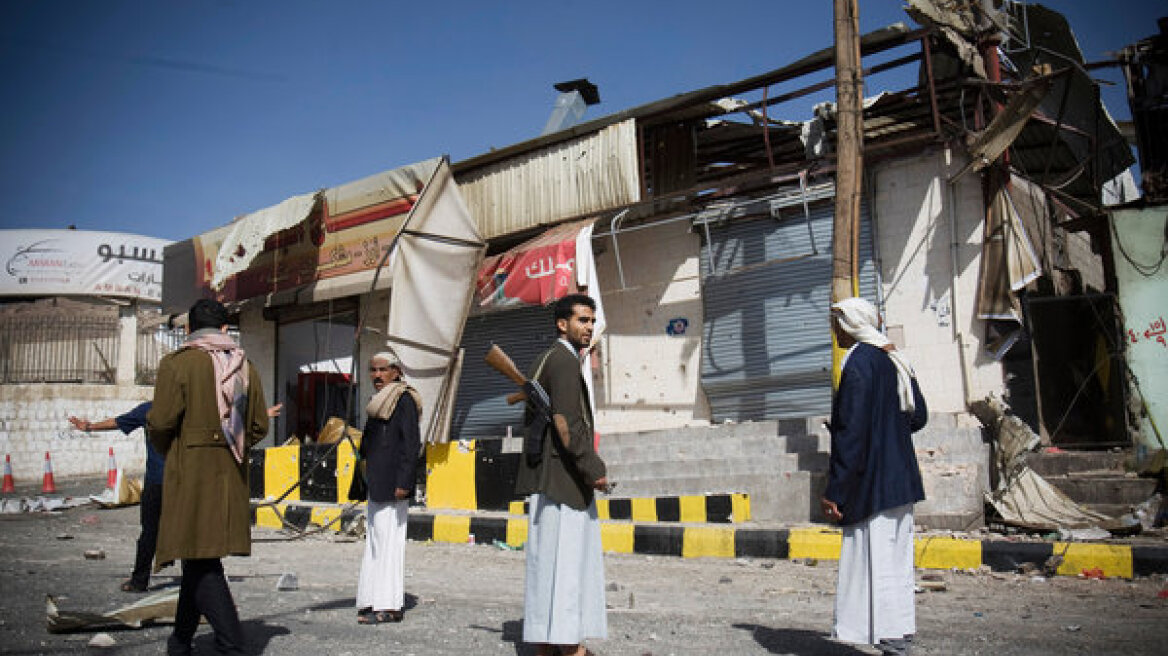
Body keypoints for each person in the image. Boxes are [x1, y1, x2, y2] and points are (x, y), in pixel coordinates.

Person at [147, 299, 269, 656]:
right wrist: (234, 442)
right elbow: (259, 424)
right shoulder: (245, 367)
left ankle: (233, 644)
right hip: (230, 472)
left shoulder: (178, 363)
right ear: (224, 328)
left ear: (189, 329)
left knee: (199, 557)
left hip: (190, 471)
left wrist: (175, 449)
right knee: (198, 554)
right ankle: (180, 641)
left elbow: (161, 422)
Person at [821, 297, 928, 656]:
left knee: (876, 559)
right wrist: (887, 429)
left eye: (837, 323)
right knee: (896, 560)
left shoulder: (858, 364)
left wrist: (835, 490)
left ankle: (891, 638)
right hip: (902, 478)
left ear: (850, 325)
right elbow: (918, 416)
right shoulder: (893, 358)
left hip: (874, 481)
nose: (834, 330)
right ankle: (898, 634)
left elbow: (849, 435)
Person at [515, 293, 609, 656]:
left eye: (591, 321)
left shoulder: (547, 359)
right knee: (568, 569)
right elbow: (567, 423)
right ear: (562, 324)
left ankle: (544, 646)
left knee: (546, 568)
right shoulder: (564, 362)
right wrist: (594, 469)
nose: (588, 328)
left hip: (545, 478)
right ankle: (571, 649)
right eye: (582, 320)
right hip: (564, 480)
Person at [354, 352, 422, 625]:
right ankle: (371, 599)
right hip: (376, 482)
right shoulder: (378, 401)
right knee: (374, 543)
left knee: (389, 546)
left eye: (383, 370)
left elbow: (410, 444)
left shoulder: (403, 399)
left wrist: (404, 482)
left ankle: (389, 606)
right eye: (373, 370)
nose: (377, 375)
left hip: (394, 485)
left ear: (396, 371)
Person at [69, 402, 165, 593]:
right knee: (185, 535)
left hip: (157, 481)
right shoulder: (190, 409)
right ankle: (198, 585)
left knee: (149, 534)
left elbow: (119, 422)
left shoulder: (152, 409)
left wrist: (89, 427)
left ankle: (139, 581)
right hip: (182, 483)